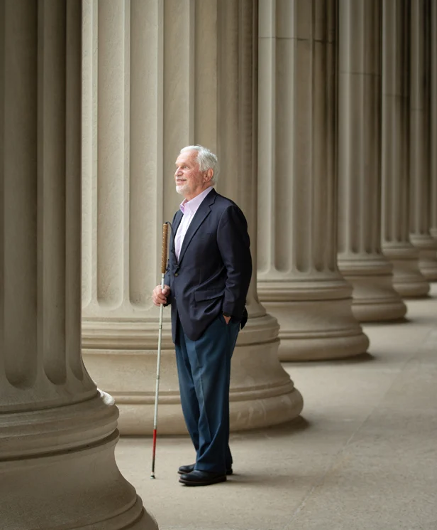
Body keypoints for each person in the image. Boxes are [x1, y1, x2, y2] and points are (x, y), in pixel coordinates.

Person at [152, 145, 252, 487]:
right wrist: (164, 287)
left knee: (210, 394)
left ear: (207, 174)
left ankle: (209, 465)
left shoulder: (225, 213)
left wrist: (227, 314)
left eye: (186, 166)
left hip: (212, 319)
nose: (178, 172)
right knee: (191, 395)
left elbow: (239, 269)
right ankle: (212, 457)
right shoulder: (180, 215)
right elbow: (175, 267)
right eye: (177, 166)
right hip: (182, 318)